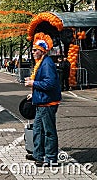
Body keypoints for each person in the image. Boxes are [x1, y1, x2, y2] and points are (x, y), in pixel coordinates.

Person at [24, 32, 62, 166]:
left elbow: (50, 84)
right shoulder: (41, 63)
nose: (33, 52)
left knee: (49, 131)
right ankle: (38, 154)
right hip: (40, 102)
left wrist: (33, 83)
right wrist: (33, 92)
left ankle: (51, 158)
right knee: (38, 129)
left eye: (35, 50)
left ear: (42, 51)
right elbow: (43, 81)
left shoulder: (47, 64)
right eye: (33, 50)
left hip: (47, 103)